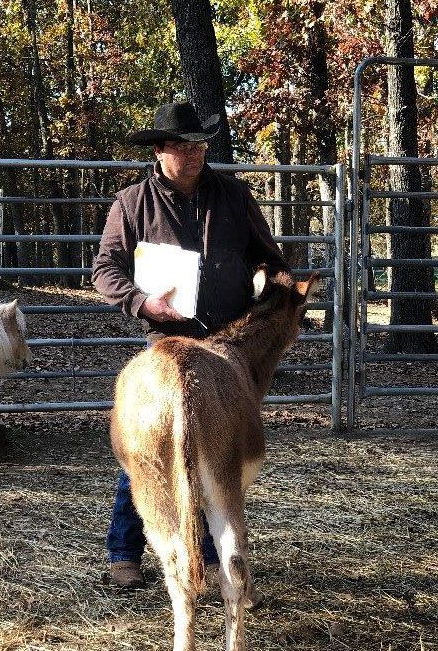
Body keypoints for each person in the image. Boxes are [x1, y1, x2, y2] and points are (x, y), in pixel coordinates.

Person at [92, 101, 289, 589]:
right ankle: (125, 552)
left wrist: (268, 282)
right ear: (159, 151)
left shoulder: (235, 197)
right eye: (184, 146)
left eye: (200, 145)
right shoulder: (131, 204)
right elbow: (104, 271)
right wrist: (142, 303)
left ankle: (208, 554)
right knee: (147, 447)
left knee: (216, 452)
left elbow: (270, 258)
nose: (196, 154)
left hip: (225, 347)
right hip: (166, 345)